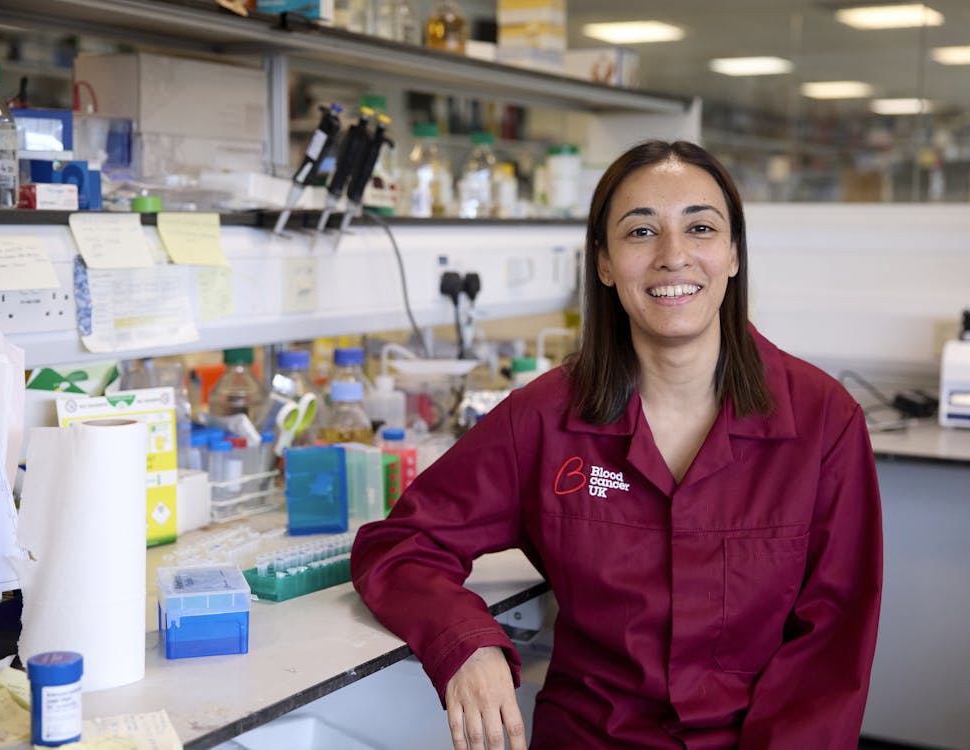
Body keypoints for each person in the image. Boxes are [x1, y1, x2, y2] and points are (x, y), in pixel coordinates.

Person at [351, 140, 883, 749]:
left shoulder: (823, 422)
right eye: (640, 233)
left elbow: (832, 644)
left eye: (701, 228)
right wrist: (465, 644)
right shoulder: (546, 419)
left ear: (733, 254)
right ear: (603, 262)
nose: (673, 257)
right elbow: (400, 545)